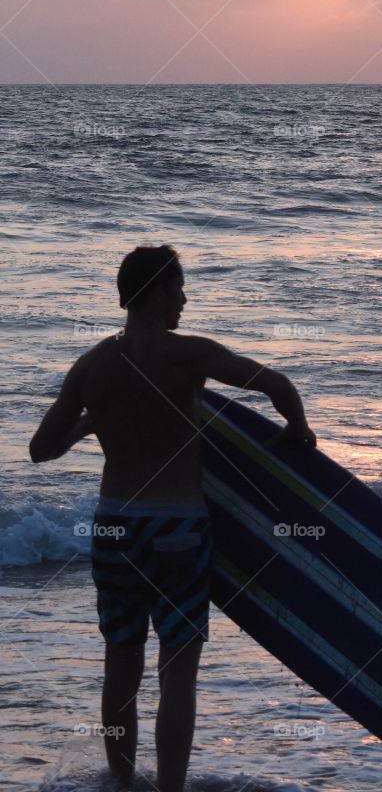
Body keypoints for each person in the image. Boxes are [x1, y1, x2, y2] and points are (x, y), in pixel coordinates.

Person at [29, 245, 316, 792]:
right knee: (176, 674)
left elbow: (41, 449)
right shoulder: (189, 354)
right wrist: (298, 430)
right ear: (160, 294)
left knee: (121, 667)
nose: (184, 302)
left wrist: (91, 425)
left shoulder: (91, 365)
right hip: (178, 530)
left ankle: (120, 782)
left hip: (115, 527)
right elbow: (276, 384)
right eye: (180, 291)